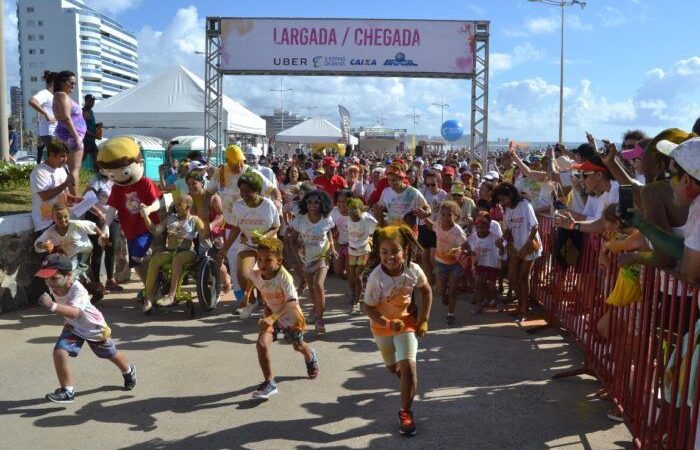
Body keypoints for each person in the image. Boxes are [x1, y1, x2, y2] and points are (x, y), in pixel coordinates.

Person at [36, 253, 136, 404]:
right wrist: (65, 319)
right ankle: (67, 391)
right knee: (60, 352)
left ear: (68, 275)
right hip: (73, 327)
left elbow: (76, 312)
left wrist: (52, 306)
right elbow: (68, 310)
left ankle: (128, 370)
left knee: (110, 353)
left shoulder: (78, 290)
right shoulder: (55, 286)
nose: (49, 283)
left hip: (93, 328)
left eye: (54, 278)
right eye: (46, 278)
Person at [363, 225, 432, 437]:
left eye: (395, 251)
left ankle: (406, 413)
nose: (390, 256)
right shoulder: (376, 277)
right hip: (382, 328)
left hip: (406, 323)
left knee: (409, 366)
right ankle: (401, 373)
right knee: (394, 368)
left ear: (405, 251)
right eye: (384, 252)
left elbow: (426, 291)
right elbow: (368, 307)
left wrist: (423, 320)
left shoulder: (413, 270)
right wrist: (386, 323)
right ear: (378, 253)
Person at [247, 237, 320, 400]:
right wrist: (257, 302)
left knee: (297, 346)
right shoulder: (255, 273)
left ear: (279, 261)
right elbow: (258, 284)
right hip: (271, 316)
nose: (262, 264)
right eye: (259, 259)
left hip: (291, 318)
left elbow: (292, 302)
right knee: (261, 344)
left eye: (268, 260)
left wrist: (272, 317)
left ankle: (310, 356)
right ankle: (269, 382)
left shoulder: (284, 277)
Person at [206, 144, 281, 297]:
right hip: (233, 227)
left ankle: (264, 296)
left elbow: (273, 189)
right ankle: (243, 299)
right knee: (235, 266)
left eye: (241, 162)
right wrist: (205, 216)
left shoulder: (251, 173)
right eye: (234, 164)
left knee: (263, 266)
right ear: (228, 162)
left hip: (259, 228)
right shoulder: (220, 174)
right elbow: (207, 193)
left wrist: (278, 201)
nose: (239, 166)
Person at [218, 171, 280, 316]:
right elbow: (236, 227)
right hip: (247, 244)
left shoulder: (268, 205)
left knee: (265, 275)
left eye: (248, 191)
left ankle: (265, 301)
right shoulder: (238, 206)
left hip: (267, 245)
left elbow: (276, 226)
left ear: (258, 191)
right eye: (242, 191)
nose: (244, 194)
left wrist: (264, 237)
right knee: (243, 274)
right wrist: (224, 249)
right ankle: (251, 302)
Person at [142, 194, 205, 311]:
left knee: (178, 259)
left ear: (188, 206)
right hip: (171, 251)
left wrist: (207, 225)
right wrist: (145, 216)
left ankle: (171, 295)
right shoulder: (170, 218)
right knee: (155, 260)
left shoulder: (194, 220)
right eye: (175, 204)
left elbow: (204, 233)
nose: (176, 207)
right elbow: (155, 230)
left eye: (179, 204)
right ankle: (149, 297)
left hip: (188, 253)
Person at [291, 190, 337, 334]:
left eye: (316, 202)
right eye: (309, 202)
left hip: (323, 255)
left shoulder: (326, 218)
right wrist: (298, 260)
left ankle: (320, 319)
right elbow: (292, 240)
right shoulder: (300, 220)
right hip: (306, 258)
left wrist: (333, 247)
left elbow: (328, 232)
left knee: (318, 284)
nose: (312, 205)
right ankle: (316, 308)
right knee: (311, 289)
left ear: (322, 203)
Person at [494, 183, 542, 323]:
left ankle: (524, 310)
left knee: (522, 277)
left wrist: (527, 244)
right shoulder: (507, 210)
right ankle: (521, 304)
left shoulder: (525, 205)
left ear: (510, 196)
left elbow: (535, 226)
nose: (502, 203)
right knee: (511, 277)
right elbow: (508, 229)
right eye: (500, 200)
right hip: (515, 247)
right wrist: (502, 239)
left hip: (529, 246)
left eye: (503, 199)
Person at [34, 204, 107, 277]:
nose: (63, 220)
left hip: (83, 252)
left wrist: (102, 235)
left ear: (69, 214)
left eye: (65, 217)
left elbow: (92, 226)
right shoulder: (50, 232)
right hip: (70, 256)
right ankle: (80, 279)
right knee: (65, 273)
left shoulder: (76, 225)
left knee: (71, 275)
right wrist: (44, 245)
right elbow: (38, 243)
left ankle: (79, 272)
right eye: (59, 218)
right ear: (53, 218)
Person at [425, 201, 467, 325]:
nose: (445, 217)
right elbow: (431, 225)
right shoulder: (438, 224)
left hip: (455, 263)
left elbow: (465, 244)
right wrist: (423, 217)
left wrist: (466, 250)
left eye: (449, 215)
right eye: (443, 214)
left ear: (456, 216)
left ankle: (451, 313)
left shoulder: (457, 231)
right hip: (440, 262)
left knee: (453, 290)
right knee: (440, 290)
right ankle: (444, 294)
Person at [83, 171, 122, 292]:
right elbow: (86, 198)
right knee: (98, 249)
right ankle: (97, 283)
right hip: (96, 218)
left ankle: (110, 280)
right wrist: (99, 213)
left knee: (112, 247)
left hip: (112, 218)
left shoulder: (116, 179)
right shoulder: (96, 180)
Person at [52, 70, 87, 197]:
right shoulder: (61, 95)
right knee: (74, 169)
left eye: (74, 84)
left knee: (69, 169)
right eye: (71, 83)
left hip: (69, 135)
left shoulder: (61, 96)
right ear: (62, 82)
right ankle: (75, 198)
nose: (73, 86)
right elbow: (66, 118)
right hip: (70, 136)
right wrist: (76, 137)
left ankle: (71, 196)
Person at [465, 212, 506, 315]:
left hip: (492, 264)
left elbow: (503, 254)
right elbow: (467, 246)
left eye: (483, 228)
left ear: (488, 227)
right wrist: (468, 252)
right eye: (478, 228)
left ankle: (498, 299)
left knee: (491, 286)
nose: (480, 230)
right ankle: (478, 306)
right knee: (478, 283)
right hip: (480, 263)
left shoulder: (495, 237)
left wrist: (501, 248)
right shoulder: (473, 236)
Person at [30, 139, 72, 234]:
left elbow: (65, 193)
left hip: (62, 220)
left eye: (66, 156)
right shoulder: (39, 172)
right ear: (52, 155)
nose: (65, 159)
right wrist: (65, 184)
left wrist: (75, 199)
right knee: (49, 248)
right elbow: (44, 196)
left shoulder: (61, 169)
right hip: (45, 223)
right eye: (62, 156)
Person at [346, 197, 377, 315]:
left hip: (364, 250)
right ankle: (365, 287)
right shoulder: (348, 218)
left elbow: (375, 227)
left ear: (361, 209)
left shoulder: (367, 218)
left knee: (358, 276)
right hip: (352, 251)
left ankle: (356, 304)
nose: (352, 213)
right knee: (353, 276)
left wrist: (371, 239)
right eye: (350, 210)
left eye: (355, 210)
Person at [376, 164, 430, 229]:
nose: (391, 183)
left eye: (394, 180)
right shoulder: (386, 192)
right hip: (392, 231)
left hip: (409, 232)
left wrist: (426, 213)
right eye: (389, 180)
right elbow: (381, 207)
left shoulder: (413, 192)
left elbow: (427, 208)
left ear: (401, 179)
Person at [418, 172, 448, 285]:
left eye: (433, 184)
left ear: (438, 183)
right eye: (428, 184)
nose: (430, 187)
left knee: (433, 258)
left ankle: (438, 279)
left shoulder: (444, 195)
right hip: (424, 227)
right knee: (424, 257)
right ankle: (429, 282)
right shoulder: (422, 193)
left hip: (437, 228)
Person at [29, 70, 57, 164]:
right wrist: (46, 114)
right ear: (54, 81)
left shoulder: (53, 96)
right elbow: (32, 101)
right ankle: (40, 173)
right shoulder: (45, 93)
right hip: (49, 132)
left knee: (55, 159)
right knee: (54, 159)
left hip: (54, 132)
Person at [330, 189, 352, 280]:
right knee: (338, 271)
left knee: (349, 270)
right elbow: (327, 227)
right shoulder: (333, 212)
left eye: (344, 202)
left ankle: (353, 286)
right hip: (339, 244)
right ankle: (351, 280)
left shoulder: (355, 212)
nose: (341, 204)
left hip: (352, 245)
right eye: (339, 201)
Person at [82, 94, 98, 168]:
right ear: (86, 101)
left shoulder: (91, 111)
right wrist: (94, 135)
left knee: (96, 157)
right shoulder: (84, 112)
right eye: (91, 101)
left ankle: (97, 175)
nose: (93, 102)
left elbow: (90, 124)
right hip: (86, 140)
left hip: (91, 140)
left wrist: (97, 125)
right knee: (82, 158)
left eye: (93, 101)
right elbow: (82, 128)